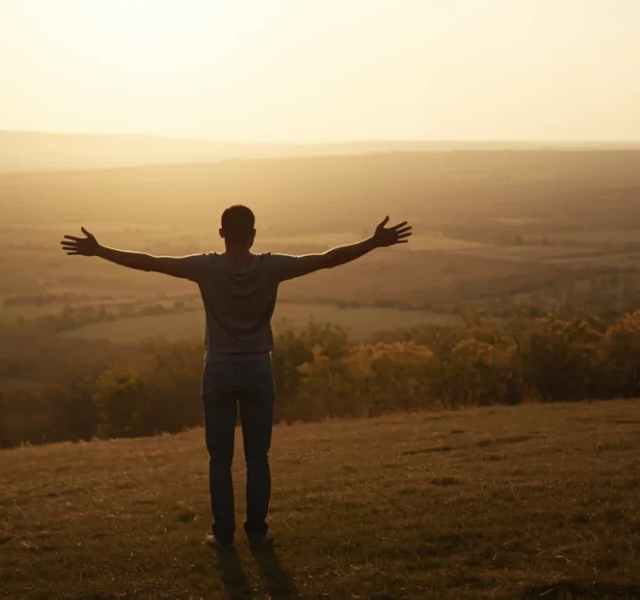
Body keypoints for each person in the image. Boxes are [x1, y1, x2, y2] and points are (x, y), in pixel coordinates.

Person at [61, 206, 412, 549]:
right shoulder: (271, 267)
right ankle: (257, 532)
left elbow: (151, 262)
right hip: (259, 368)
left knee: (219, 460)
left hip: (218, 369)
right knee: (258, 458)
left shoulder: (205, 267)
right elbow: (325, 259)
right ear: (254, 235)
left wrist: (100, 250)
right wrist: (372, 241)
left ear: (221, 233)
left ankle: (224, 535)